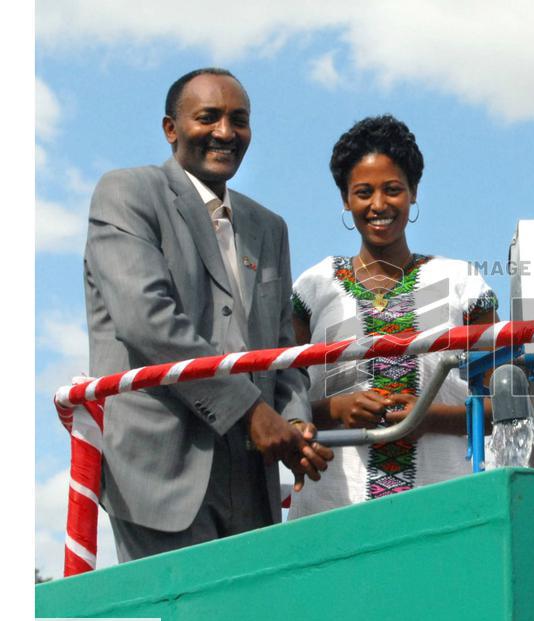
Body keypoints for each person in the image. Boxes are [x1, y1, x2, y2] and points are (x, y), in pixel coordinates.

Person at [83, 68, 333, 561]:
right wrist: (251, 411)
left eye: (239, 120)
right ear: (170, 129)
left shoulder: (269, 227)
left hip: (252, 476)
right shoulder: (127, 193)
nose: (225, 132)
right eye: (208, 117)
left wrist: (295, 420)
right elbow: (147, 321)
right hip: (164, 472)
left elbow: (284, 351)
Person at [288, 114, 498, 517]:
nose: (379, 205)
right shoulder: (312, 289)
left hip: (439, 508)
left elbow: (506, 405)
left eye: (393, 190)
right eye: (363, 192)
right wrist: (338, 409)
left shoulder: (461, 283)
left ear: (414, 192)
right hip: (333, 510)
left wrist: (429, 417)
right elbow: (281, 403)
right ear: (345, 199)